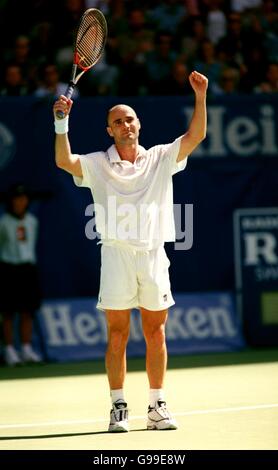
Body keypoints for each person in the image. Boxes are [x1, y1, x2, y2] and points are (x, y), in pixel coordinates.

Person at [53, 70, 208, 432]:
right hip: (116, 256)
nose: (125, 125)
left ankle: (156, 406)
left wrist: (200, 96)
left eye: (130, 119)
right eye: (117, 121)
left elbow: (196, 135)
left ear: (139, 124)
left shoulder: (160, 157)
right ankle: (118, 406)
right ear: (109, 130)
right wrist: (62, 124)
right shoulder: (96, 163)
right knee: (118, 334)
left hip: (154, 254)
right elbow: (65, 161)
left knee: (157, 333)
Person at [0, 184, 42, 366]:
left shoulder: (33, 221)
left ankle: (26, 349)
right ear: (11, 201)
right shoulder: (3, 223)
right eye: (16, 199)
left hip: (28, 271)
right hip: (9, 270)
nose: (20, 202)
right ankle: (9, 350)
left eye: (23, 198)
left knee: (27, 311)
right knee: (8, 312)